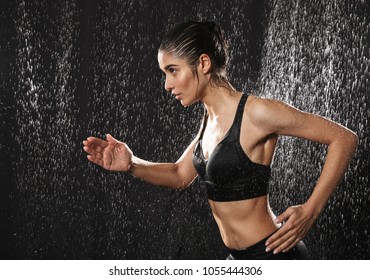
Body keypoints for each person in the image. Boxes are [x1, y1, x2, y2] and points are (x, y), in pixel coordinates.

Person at [82, 21, 358, 259]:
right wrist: (132, 164)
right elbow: (180, 174)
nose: (167, 84)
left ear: (203, 63)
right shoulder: (209, 119)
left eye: (173, 70)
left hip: (273, 256)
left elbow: (343, 138)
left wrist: (311, 210)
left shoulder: (256, 113)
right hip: (237, 258)